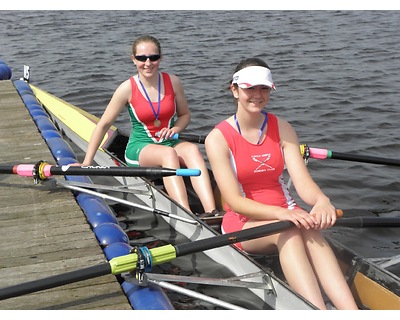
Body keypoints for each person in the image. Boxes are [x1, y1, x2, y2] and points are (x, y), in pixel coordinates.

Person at [204, 57, 358, 310]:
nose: (257, 95)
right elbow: (235, 201)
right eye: (249, 88)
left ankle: (349, 311)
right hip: (243, 223)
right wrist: (283, 214)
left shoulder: (282, 127)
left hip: (287, 213)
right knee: (288, 228)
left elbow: (302, 182)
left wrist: (322, 201)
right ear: (234, 90)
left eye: (263, 88)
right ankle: (316, 310)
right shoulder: (218, 138)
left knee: (309, 227)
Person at [78, 35, 218, 216]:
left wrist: (175, 129)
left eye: (153, 57)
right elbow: (103, 125)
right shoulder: (126, 88)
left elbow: (185, 115)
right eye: (142, 58)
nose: (148, 63)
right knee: (168, 154)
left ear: (161, 57)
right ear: (133, 59)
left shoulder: (173, 82)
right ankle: (187, 214)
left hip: (168, 142)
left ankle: (212, 211)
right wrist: (87, 162)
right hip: (140, 148)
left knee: (192, 149)